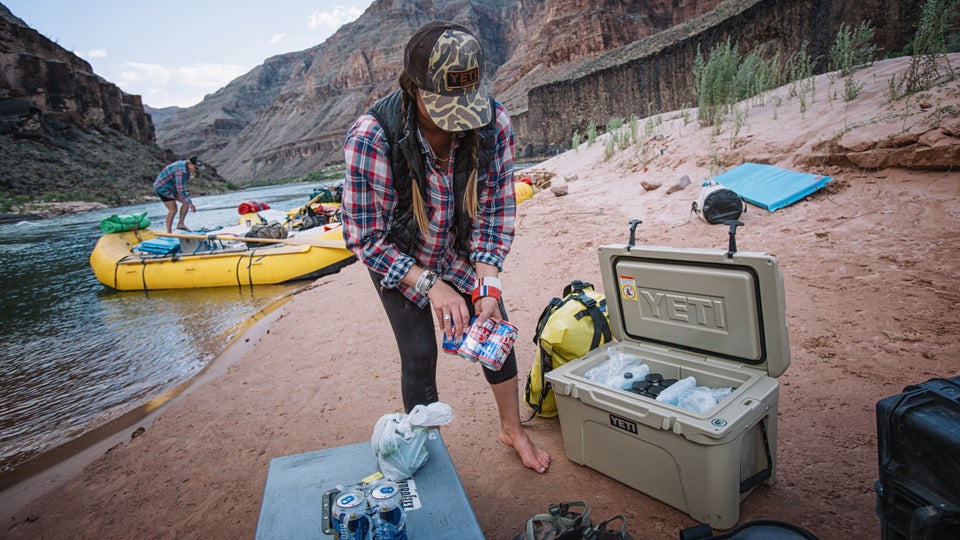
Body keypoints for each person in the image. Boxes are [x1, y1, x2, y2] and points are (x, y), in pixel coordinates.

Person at [342, 20, 550, 474]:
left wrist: (488, 283)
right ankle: (426, 452)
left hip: (457, 248)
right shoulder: (371, 137)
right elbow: (365, 238)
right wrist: (431, 285)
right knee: (418, 353)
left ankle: (512, 429)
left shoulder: (495, 123)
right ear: (413, 88)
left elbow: (494, 213)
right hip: (399, 256)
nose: (457, 120)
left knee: (495, 328)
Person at [153, 156, 200, 232]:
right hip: (163, 188)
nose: (196, 170)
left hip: (172, 186)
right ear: (190, 164)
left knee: (186, 203)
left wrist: (188, 202)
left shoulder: (185, 166)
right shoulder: (181, 172)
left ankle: (180, 224)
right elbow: (181, 189)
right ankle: (169, 232)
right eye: (196, 168)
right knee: (173, 209)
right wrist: (190, 203)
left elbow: (181, 186)